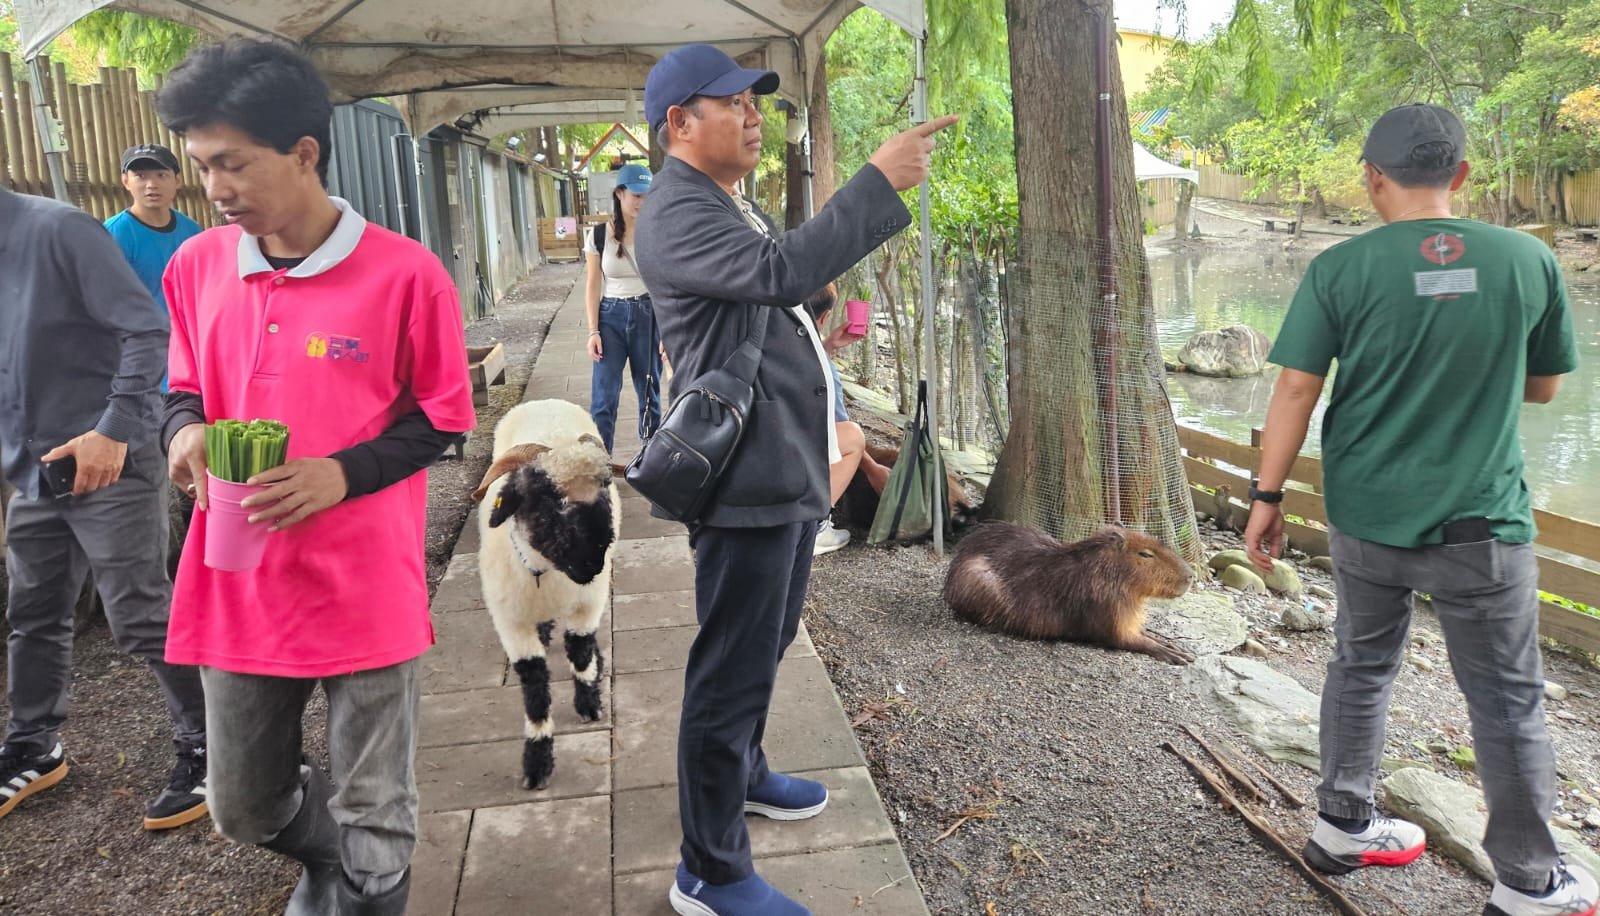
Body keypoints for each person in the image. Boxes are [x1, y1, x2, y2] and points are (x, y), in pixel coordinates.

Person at [635, 42, 957, 916]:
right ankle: (710, 870)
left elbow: (775, 294)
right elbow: (780, 275)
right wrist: (877, 181)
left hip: (775, 464)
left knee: (765, 643)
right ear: (680, 122)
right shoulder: (674, 211)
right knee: (728, 669)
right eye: (734, 103)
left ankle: (741, 771)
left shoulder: (720, 201)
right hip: (741, 479)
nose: (752, 116)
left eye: (757, 104)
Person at [1244, 103, 1590, 916]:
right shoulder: (1527, 260)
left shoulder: (1341, 269)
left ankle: (1341, 825)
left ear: (1372, 181)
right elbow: (1543, 389)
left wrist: (1266, 497)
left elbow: (1296, 387)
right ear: (1462, 176)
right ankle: (1529, 882)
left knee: (1361, 668)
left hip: (1364, 516)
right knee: (1507, 700)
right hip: (1483, 526)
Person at [155, 39, 475, 914]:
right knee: (240, 806)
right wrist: (183, 431)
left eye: (232, 163)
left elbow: (444, 417)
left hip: (365, 583)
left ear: (304, 153)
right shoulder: (196, 267)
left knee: (377, 809)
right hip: (240, 582)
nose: (214, 189)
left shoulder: (408, 276)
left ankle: (369, 883)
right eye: (202, 167)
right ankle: (337, 863)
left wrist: (342, 472)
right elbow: (183, 384)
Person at [0, 186, 209, 831]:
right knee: (32, 612)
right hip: (34, 469)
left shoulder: (60, 231)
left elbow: (146, 330)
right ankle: (35, 744)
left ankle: (210, 746)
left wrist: (115, 429)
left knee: (142, 614)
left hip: (108, 457)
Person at [801, 283, 892, 556]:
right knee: (853, 435)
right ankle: (813, 528)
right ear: (826, 317)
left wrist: (826, 346)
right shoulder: (823, 368)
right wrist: (874, 469)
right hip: (792, 454)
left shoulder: (776, 342)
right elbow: (835, 428)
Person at [584, 162, 662, 453]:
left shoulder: (658, 232)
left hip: (649, 316)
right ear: (619, 194)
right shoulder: (600, 235)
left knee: (650, 394)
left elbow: (669, 284)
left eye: (647, 195)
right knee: (603, 397)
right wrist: (593, 331)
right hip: (610, 319)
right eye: (636, 195)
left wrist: (669, 330)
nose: (642, 201)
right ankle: (600, 464)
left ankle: (652, 459)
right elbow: (593, 285)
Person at [104, 144, 204, 326]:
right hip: (140, 340)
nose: (151, 185)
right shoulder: (114, 234)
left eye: (161, 175)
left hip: (188, 334)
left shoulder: (192, 231)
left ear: (177, 180)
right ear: (126, 181)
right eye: (141, 176)